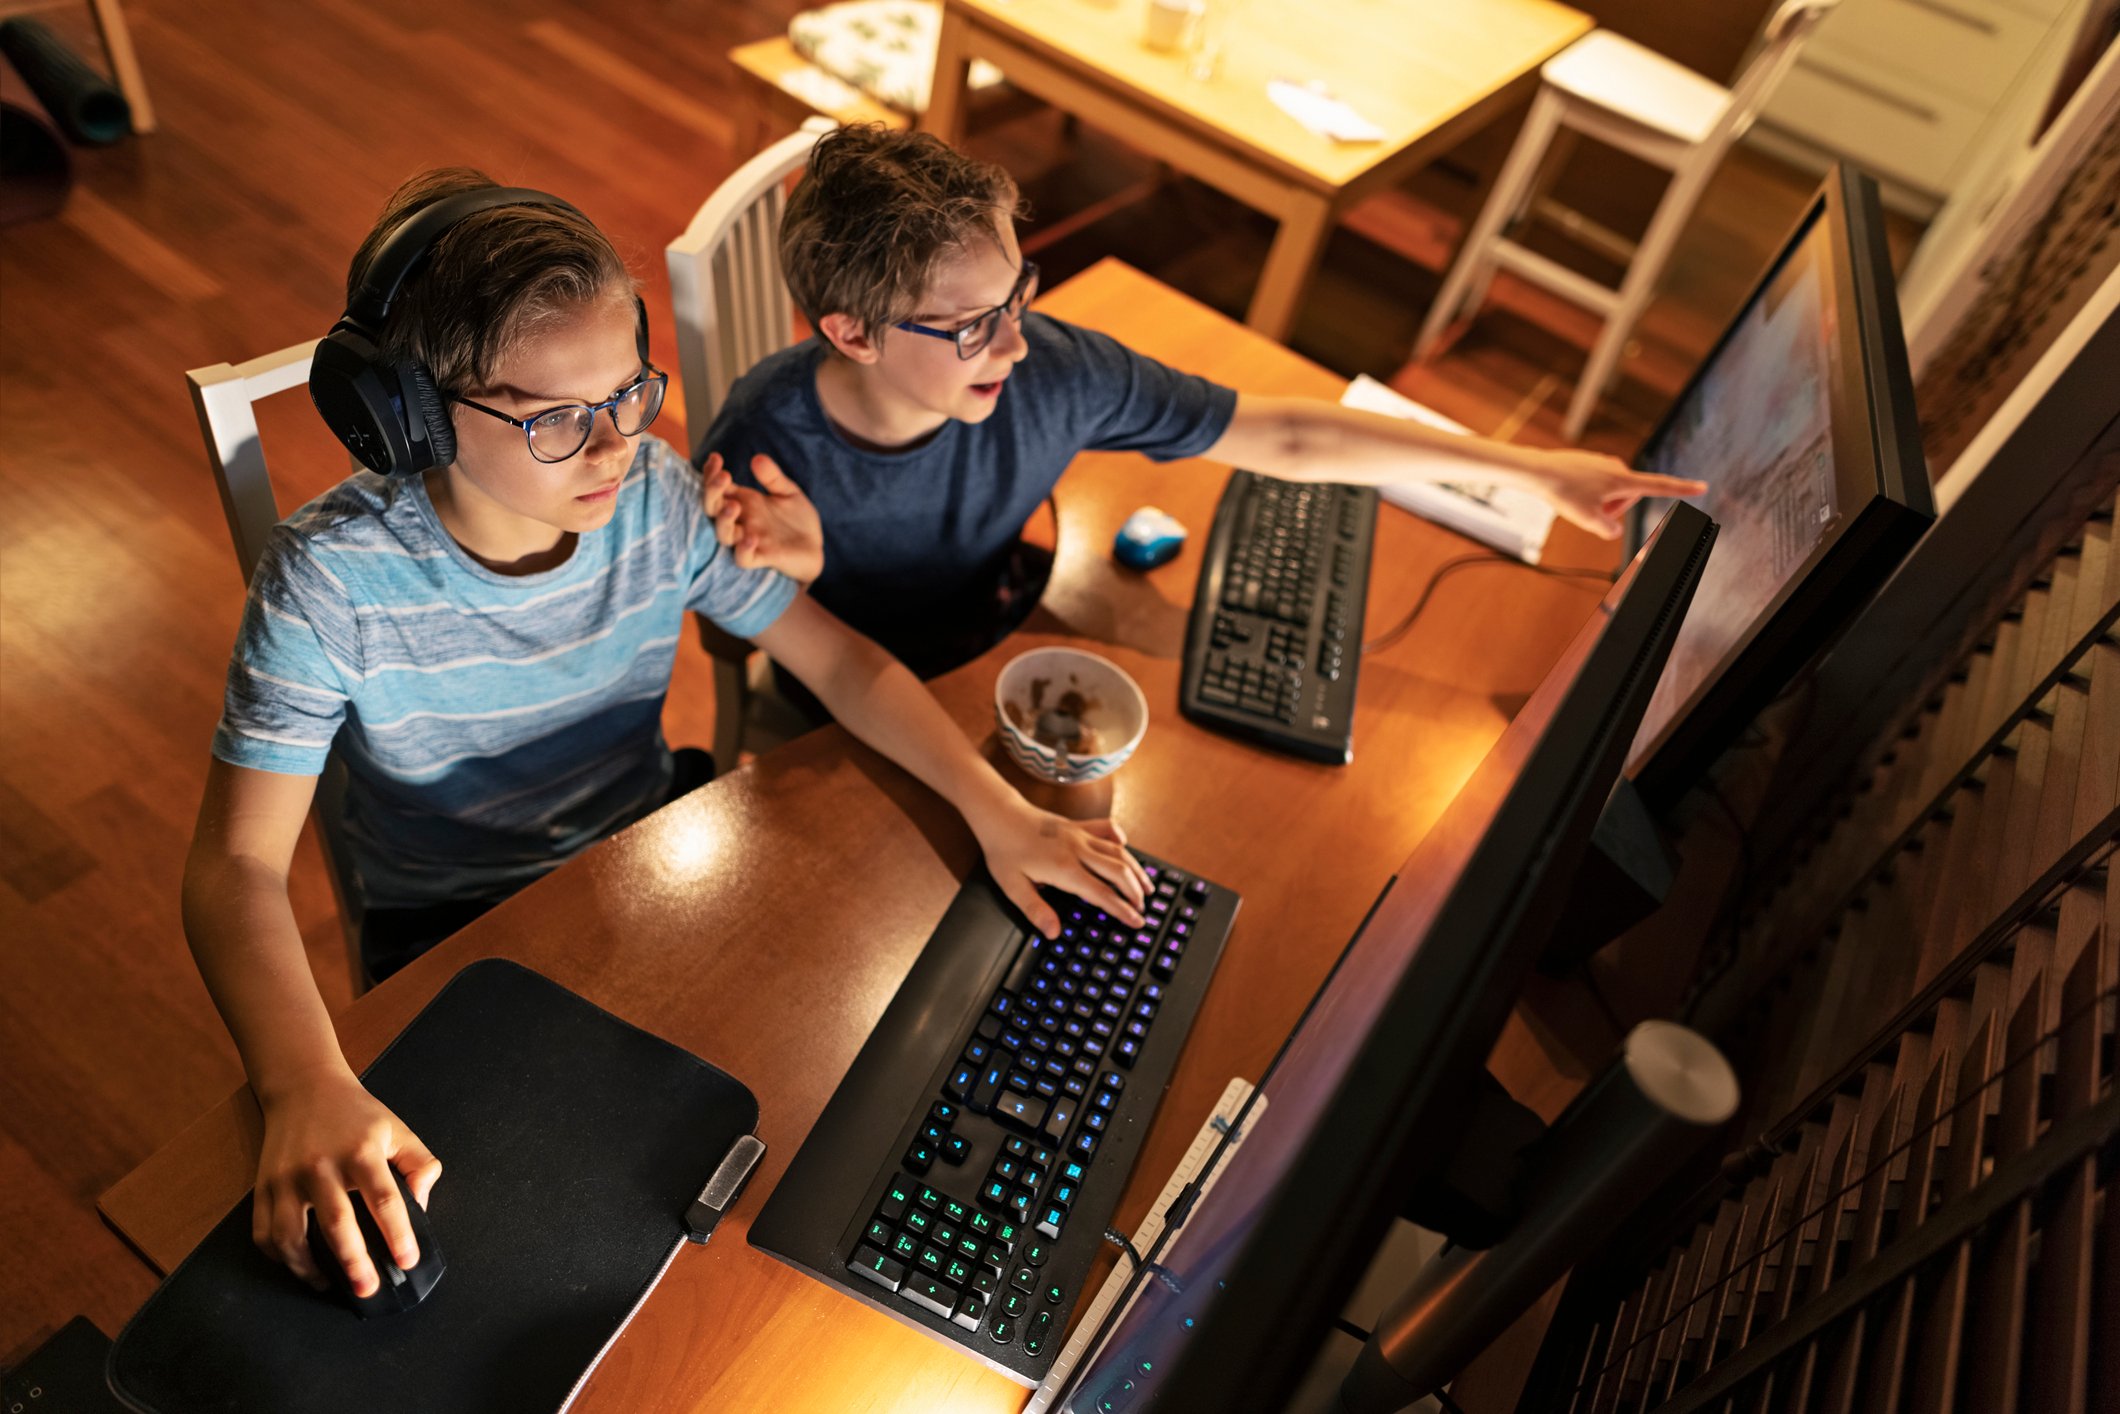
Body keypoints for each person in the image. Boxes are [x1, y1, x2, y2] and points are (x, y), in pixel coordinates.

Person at [181, 168, 1150, 1304]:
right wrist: (301, 1081)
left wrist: (1001, 811)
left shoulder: (651, 497)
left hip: (639, 860)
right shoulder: (330, 581)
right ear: (407, 414)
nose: (610, 449)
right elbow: (237, 866)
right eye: (552, 417)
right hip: (457, 920)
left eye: (628, 395)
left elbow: (835, 658)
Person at [699, 125, 1707, 688]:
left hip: (1003, 631)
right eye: (968, 326)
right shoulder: (763, 446)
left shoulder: (1049, 369)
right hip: (853, 699)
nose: (1011, 341)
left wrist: (1530, 467)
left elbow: (1287, 430)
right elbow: (738, 643)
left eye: (1017, 294)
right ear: (851, 334)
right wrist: (803, 574)